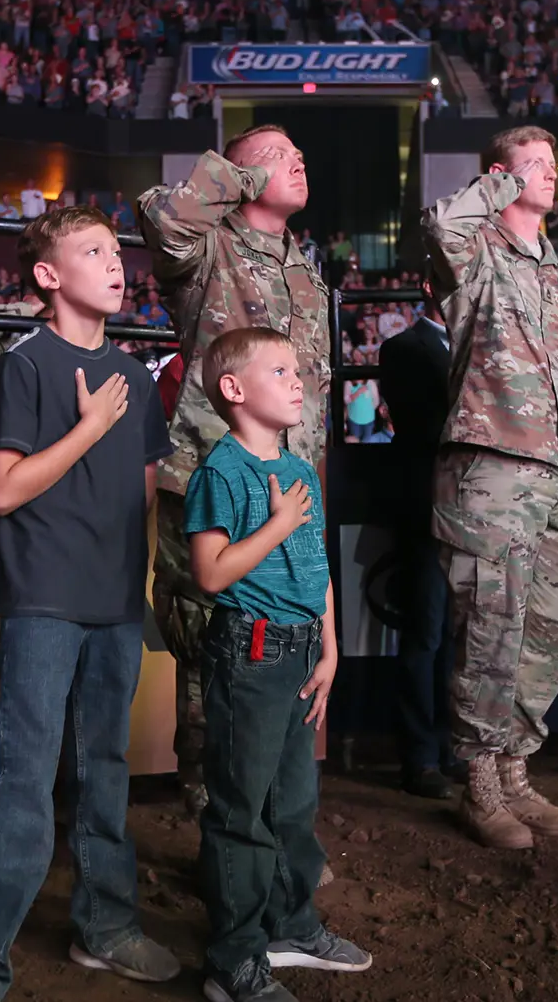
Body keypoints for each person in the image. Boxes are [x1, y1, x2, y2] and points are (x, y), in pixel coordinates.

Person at [0, 206, 181, 1001]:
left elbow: (141, 497)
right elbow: (3, 491)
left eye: (116, 251)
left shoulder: (137, 377)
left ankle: (105, 930)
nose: (116, 263)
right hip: (42, 599)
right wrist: (86, 429)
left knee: (105, 773)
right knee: (21, 778)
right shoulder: (25, 365)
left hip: (113, 601)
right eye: (93, 251)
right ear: (48, 275)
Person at [137, 126, 330, 817]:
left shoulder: (303, 267)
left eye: (297, 151)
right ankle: (213, 813)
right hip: (216, 480)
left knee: (284, 649)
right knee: (210, 648)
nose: (297, 160)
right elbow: (161, 213)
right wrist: (242, 174)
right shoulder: (208, 244)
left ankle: (270, 817)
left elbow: (315, 391)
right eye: (279, 155)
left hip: (290, 481)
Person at [183, 326, 371, 1002]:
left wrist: (329, 646)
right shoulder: (222, 471)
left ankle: (290, 927)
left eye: (298, 371)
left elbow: (315, 565)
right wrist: (277, 526)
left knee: (295, 803)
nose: (299, 382)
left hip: (298, 652)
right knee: (241, 811)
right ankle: (233, 960)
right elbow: (209, 574)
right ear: (234, 390)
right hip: (250, 651)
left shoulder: (296, 470)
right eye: (281, 371)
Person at [421, 126, 558, 850]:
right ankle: (479, 783)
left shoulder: (552, 266)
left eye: (555, 163)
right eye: (536, 165)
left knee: (547, 631)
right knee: (488, 627)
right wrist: (500, 184)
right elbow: (440, 223)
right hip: (489, 466)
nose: (551, 175)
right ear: (500, 173)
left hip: (556, 469)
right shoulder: (475, 247)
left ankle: (518, 771)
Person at [375, 284, 456, 798]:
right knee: (426, 631)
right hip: (428, 503)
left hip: (475, 508)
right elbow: (423, 425)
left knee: (461, 634)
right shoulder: (403, 348)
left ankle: (452, 749)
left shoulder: (477, 341)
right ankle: (420, 757)